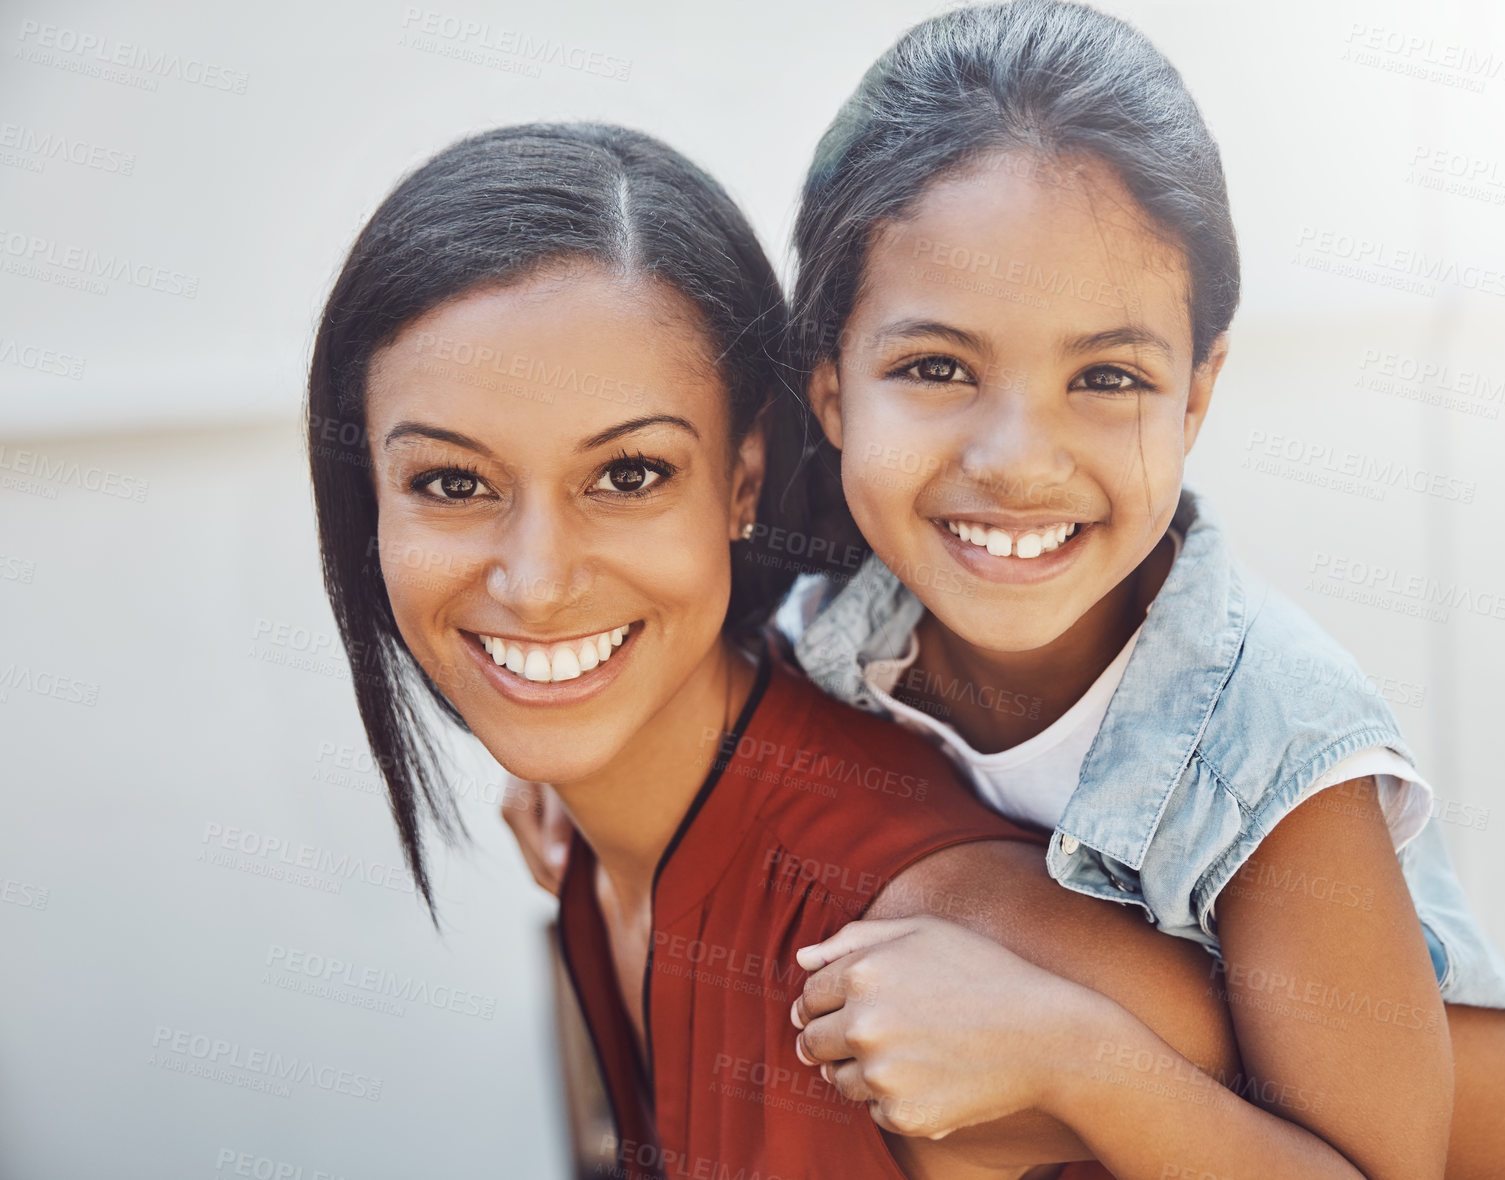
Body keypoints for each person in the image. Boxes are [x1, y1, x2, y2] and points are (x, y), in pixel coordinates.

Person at [313, 122, 1389, 1180]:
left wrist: (1081, 1062)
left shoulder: (938, 936)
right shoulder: (597, 852)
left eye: (630, 474)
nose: (536, 579)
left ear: (743, 480)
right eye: (451, 483)